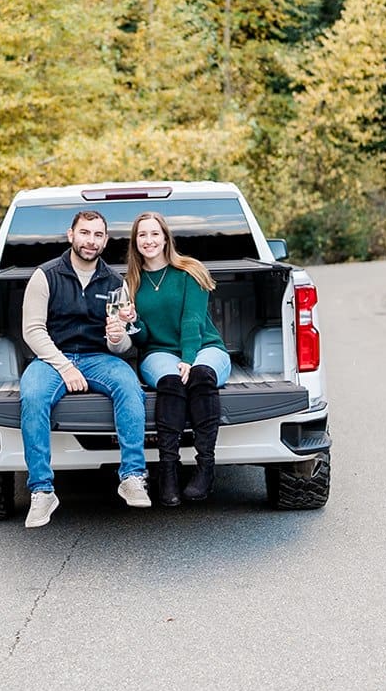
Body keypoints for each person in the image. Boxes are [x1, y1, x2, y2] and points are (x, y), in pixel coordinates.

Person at [19, 209, 150, 528]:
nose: (91, 241)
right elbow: (33, 331)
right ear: (71, 235)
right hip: (52, 358)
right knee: (32, 396)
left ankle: (132, 476)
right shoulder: (45, 275)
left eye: (98, 235)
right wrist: (65, 367)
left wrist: (117, 337)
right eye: (85, 233)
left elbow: (121, 345)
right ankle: (42, 491)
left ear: (105, 241)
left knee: (129, 386)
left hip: (97, 357)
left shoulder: (115, 282)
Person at [120, 211, 231, 507]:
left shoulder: (190, 271)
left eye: (155, 233)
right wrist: (132, 322)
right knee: (171, 382)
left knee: (201, 376)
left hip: (204, 347)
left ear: (166, 238)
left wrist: (189, 359)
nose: (149, 240)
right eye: (142, 235)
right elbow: (142, 339)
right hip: (158, 353)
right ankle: (168, 471)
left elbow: (192, 320)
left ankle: (205, 468)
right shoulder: (131, 283)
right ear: (135, 242)